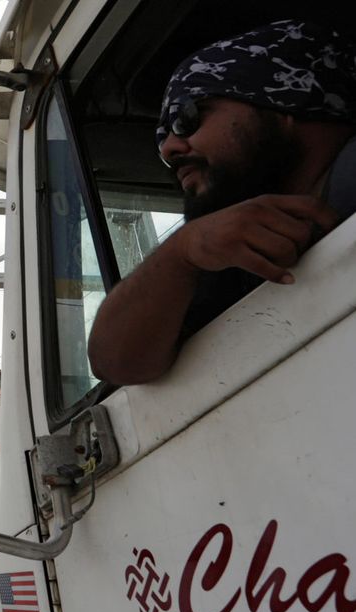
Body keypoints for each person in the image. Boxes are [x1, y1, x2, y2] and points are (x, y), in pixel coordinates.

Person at [87, 19, 356, 385]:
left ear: (286, 100)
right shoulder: (230, 257)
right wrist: (180, 254)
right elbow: (116, 362)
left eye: (187, 117)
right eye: (162, 139)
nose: (169, 148)